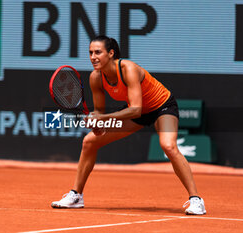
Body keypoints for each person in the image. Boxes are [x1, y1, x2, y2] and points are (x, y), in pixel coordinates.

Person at [51, 35, 206, 215]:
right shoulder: (96, 78)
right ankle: (76, 195)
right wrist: (96, 125)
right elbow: (100, 115)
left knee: (168, 146)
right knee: (89, 141)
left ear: (111, 53)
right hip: (137, 112)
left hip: (162, 107)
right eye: (90, 53)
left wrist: (103, 118)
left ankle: (196, 200)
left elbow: (135, 110)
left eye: (98, 52)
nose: (93, 57)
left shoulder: (128, 69)